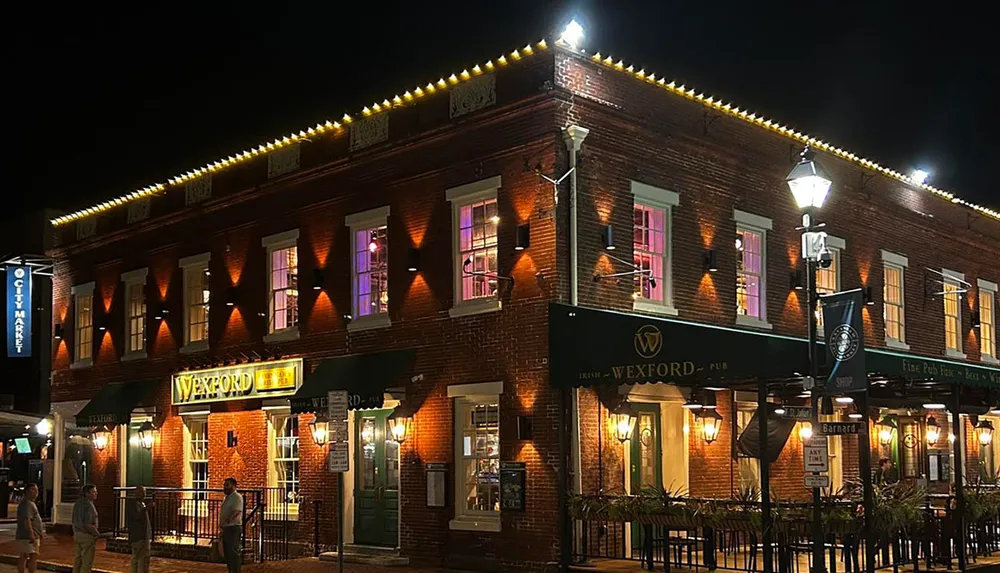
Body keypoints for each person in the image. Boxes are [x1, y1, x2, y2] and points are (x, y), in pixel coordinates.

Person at [16, 483, 44, 573]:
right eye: (33, 490)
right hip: (28, 536)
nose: (36, 492)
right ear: (27, 491)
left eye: (37, 490)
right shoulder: (27, 503)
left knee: (29, 555)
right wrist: (31, 533)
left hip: (32, 534)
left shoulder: (30, 503)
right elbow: (27, 520)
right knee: (30, 556)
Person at [72, 485, 100, 573]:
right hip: (87, 535)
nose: (96, 493)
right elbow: (88, 524)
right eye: (93, 492)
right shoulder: (88, 505)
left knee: (78, 559)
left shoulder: (78, 503)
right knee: (86, 562)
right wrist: (96, 534)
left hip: (77, 533)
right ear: (87, 493)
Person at [219, 477, 244, 573]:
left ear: (233, 486)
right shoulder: (227, 498)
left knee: (233, 552)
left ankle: (235, 571)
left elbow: (237, 511)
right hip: (227, 528)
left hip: (233, 527)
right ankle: (231, 570)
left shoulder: (237, 497)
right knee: (228, 552)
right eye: (224, 485)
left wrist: (228, 521)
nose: (224, 487)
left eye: (227, 485)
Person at [128, 486, 154, 573]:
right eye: (141, 492)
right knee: (141, 560)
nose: (144, 494)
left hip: (142, 536)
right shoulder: (134, 504)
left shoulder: (141, 504)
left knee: (139, 559)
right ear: (136, 493)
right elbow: (136, 517)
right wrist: (146, 509)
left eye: (144, 492)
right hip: (139, 536)